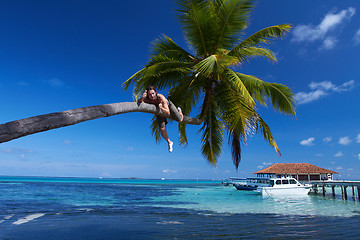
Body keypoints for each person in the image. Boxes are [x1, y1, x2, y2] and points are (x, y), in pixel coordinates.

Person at [138, 86, 183, 152]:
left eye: (153, 93)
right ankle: (169, 142)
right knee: (162, 128)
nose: (152, 96)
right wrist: (142, 97)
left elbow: (167, 113)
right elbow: (140, 101)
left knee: (180, 119)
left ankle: (179, 111)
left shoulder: (161, 97)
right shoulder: (147, 99)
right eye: (150, 94)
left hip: (167, 106)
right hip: (158, 110)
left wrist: (161, 107)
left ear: (155, 92)